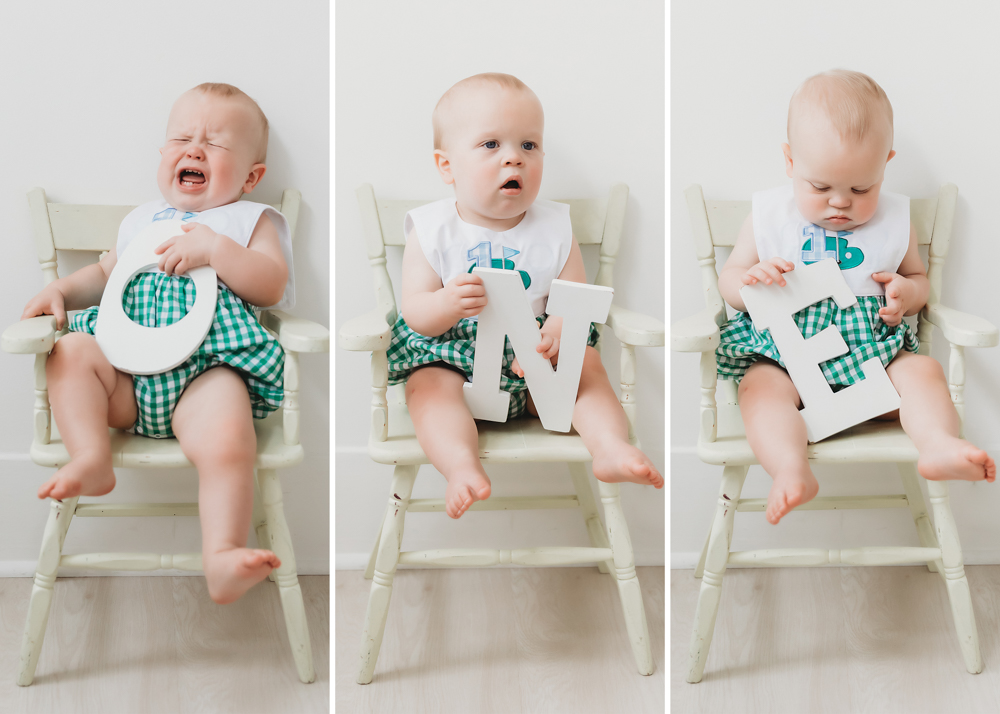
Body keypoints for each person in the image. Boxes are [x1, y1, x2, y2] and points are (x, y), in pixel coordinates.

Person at [21, 83, 294, 603]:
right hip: (125, 378)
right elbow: (104, 275)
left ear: (251, 177)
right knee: (70, 352)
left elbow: (271, 285)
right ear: (163, 154)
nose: (195, 150)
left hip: (204, 379)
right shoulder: (142, 220)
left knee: (229, 441)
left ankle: (222, 552)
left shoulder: (249, 220)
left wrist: (216, 250)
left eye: (215, 143)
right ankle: (91, 456)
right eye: (182, 139)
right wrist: (62, 290)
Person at [715, 69, 995, 526]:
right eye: (820, 187)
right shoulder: (769, 216)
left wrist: (906, 293)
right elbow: (729, 280)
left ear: (885, 164)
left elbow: (918, 279)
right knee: (759, 390)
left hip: (871, 362)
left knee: (923, 372)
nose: (840, 202)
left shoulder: (895, 220)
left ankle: (938, 444)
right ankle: (789, 467)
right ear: (790, 161)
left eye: (861, 188)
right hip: (788, 360)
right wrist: (749, 280)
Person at [388, 72, 663, 520]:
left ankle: (610, 445)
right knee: (428, 387)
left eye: (529, 145)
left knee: (586, 368)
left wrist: (555, 331)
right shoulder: (432, 229)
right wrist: (445, 304)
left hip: (534, 363)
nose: (514, 157)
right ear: (447, 166)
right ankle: (459, 464)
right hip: (456, 359)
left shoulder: (554, 227)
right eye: (490, 144)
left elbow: (574, 297)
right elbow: (415, 312)